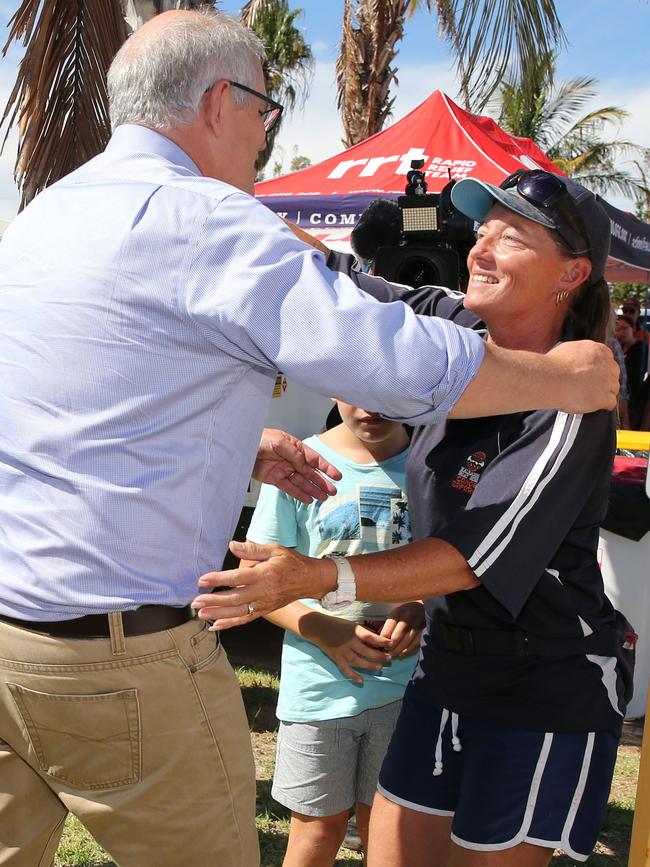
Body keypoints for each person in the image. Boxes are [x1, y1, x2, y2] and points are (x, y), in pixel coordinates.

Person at [0, 7, 618, 863]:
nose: (265, 136)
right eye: (265, 111)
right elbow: (389, 350)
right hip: (122, 660)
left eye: (510, 231)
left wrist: (246, 464)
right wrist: (568, 377)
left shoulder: (46, 214)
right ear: (221, 101)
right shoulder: (210, 219)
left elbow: (51, 398)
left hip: (528, 688)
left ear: (573, 273)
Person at [194, 169, 634, 867]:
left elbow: (470, 556)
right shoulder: (450, 324)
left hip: (542, 687)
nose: (481, 248)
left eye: (510, 235)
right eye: (482, 230)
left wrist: (311, 576)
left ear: (570, 274)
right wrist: (205, 197)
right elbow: (323, 272)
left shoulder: (572, 395)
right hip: (444, 670)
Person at [245, 401, 422, 866]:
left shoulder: (433, 468)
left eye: (386, 391)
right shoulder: (297, 469)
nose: (371, 406)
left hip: (409, 691)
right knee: (317, 830)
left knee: (387, 829)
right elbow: (257, 576)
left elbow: (460, 566)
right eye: (356, 388)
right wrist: (324, 629)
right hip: (318, 691)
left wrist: (425, 608)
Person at [615, 313, 646, 427]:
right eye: (618, 329)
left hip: (635, 393)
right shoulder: (617, 347)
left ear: (632, 328)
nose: (620, 332)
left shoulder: (641, 348)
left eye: (624, 328)